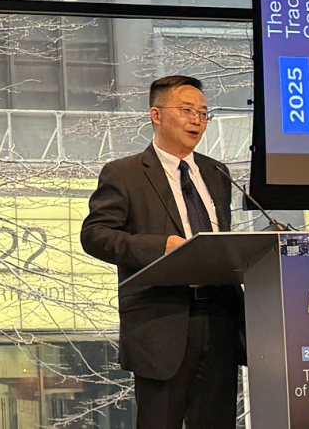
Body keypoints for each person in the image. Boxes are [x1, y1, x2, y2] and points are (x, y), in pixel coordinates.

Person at [80, 75, 244, 429]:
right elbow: (95, 235)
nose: (197, 120)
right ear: (156, 115)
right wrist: (159, 247)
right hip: (161, 322)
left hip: (219, 319)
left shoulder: (216, 172)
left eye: (203, 113)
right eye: (186, 110)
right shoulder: (124, 173)